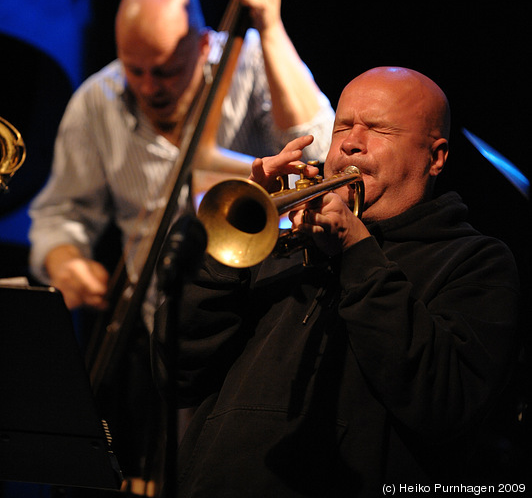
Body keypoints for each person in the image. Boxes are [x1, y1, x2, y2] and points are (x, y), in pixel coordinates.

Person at [152, 66, 522, 497]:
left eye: (379, 129)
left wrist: (357, 254)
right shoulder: (274, 244)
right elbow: (175, 374)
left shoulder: (476, 262)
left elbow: (443, 404)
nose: (350, 142)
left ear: (435, 157)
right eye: (343, 125)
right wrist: (229, 253)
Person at [28, 0, 334, 482]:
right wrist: (65, 260)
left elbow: (321, 149)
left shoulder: (252, 63)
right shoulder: (98, 100)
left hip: (260, 334)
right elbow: (60, 213)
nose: (150, 87)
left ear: (203, 42)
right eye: (136, 69)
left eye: (167, 70)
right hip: (159, 346)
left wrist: (272, 30)